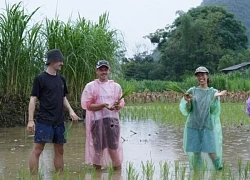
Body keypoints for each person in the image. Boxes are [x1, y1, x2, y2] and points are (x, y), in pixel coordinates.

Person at [27, 49, 79, 174]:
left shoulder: (62, 79)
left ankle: (59, 176)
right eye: (60, 60)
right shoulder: (40, 79)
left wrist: (71, 111)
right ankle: (33, 177)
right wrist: (30, 120)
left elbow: (63, 98)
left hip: (59, 122)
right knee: (38, 150)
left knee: (60, 150)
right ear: (51, 61)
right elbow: (33, 99)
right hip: (44, 121)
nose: (62, 63)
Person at [179, 66, 226, 170]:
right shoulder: (192, 90)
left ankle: (219, 171)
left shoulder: (213, 92)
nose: (201, 77)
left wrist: (215, 98)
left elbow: (214, 111)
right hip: (193, 125)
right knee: (196, 153)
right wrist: (188, 102)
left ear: (207, 76)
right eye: (198, 75)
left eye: (203, 75)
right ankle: (197, 173)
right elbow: (187, 110)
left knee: (211, 151)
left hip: (207, 126)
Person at [81, 60, 124, 170]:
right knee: (98, 150)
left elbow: (121, 104)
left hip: (112, 121)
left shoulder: (116, 86)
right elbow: (88, 105)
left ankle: (117, 174)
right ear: (97, 71)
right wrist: (104, 105)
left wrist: (116, 105)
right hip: (96, 121)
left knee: (113, 149)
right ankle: (97, 174)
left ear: (109, 71)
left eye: (105, 70)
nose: (103, 72)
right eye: (101, 70)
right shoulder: (90, 86)